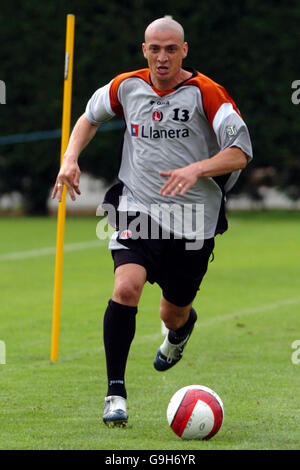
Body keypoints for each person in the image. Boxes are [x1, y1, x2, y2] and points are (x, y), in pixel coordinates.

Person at [52, 17, 252, 428]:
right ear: (144, 50)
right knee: (126, 287)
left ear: (184, 50)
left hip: (194, 219)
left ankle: (179, 331)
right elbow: (89, 117)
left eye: (170, 49)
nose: (162, 57)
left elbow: (240, 152)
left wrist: (197, 169)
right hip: (136, 206)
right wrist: (70, 158)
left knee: (172, 313)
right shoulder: (125, 86)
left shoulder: (206, 93)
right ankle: (115, 393)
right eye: (154, 49)